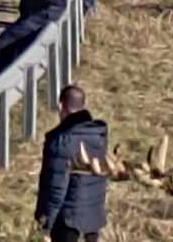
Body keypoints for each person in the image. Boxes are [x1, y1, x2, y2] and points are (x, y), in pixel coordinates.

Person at [35, 86, 109, 242]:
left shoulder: (62, 141)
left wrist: (45, 226)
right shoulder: (98, 137)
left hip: (67, 225)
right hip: (92, 223)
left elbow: (56, 188)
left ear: (61, 105)